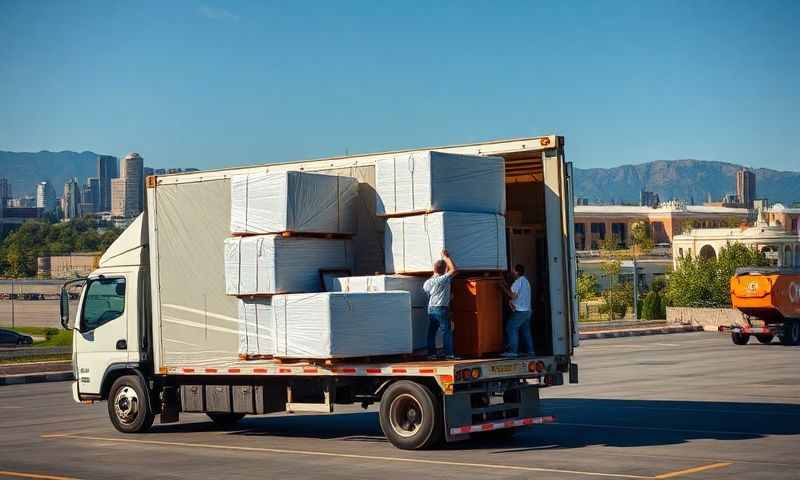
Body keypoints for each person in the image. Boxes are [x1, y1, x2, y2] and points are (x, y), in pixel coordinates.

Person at [423, 249, 458, 360]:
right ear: (443, 271)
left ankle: (431, 354)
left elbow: (447, 272)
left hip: (431, 309)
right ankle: (449, 354)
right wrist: (447, 257)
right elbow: (454, 270)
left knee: (431, 332)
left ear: (434, 269)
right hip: (441, 308)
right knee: (446, 331)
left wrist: (443, 263)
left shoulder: (428, 282)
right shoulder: (443, 279)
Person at [500, 264, 534, 357]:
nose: (512, 273)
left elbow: (513, 295)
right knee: (526, 331)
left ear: (517, 272)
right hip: (528, 311)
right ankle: (530, 351)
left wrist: (503, 288)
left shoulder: (517, 282)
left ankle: (512, 351)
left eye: (513, 271)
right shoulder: (526, 281)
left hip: (520, 311)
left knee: (510, 328)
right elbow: (519, 296)